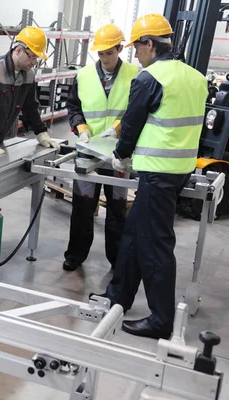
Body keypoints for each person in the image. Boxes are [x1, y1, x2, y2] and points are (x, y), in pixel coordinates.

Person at [93, 14, 208, 339]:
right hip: (180, 168)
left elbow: (131, 124)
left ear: (149, 44)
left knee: (155, 244)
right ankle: (119, 297)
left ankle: (161, 319)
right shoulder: (196, 77)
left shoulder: (150, 78)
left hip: (158, 172)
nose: (135, 54)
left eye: (136, 47)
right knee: (133, 234)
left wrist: (119, 155)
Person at [63, 24, 139, 272]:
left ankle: (117, 261)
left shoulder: (135, 74)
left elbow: (138, 108)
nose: (104, 57)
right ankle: (75, 255)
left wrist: (119, 126)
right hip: (88, 152)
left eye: (109, 52)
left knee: (117, 210)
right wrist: (81, 127)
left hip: (119, 152)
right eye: (101, 53)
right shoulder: (83, 75)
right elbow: (73, 107)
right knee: (82, 207)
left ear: (120, 48)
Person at [0, 26, 60, 155]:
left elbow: (30, 107)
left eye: (37, 59)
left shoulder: (28, 75)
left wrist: (41, 132)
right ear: (19, 50)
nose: (34, 63)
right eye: (32, 57)